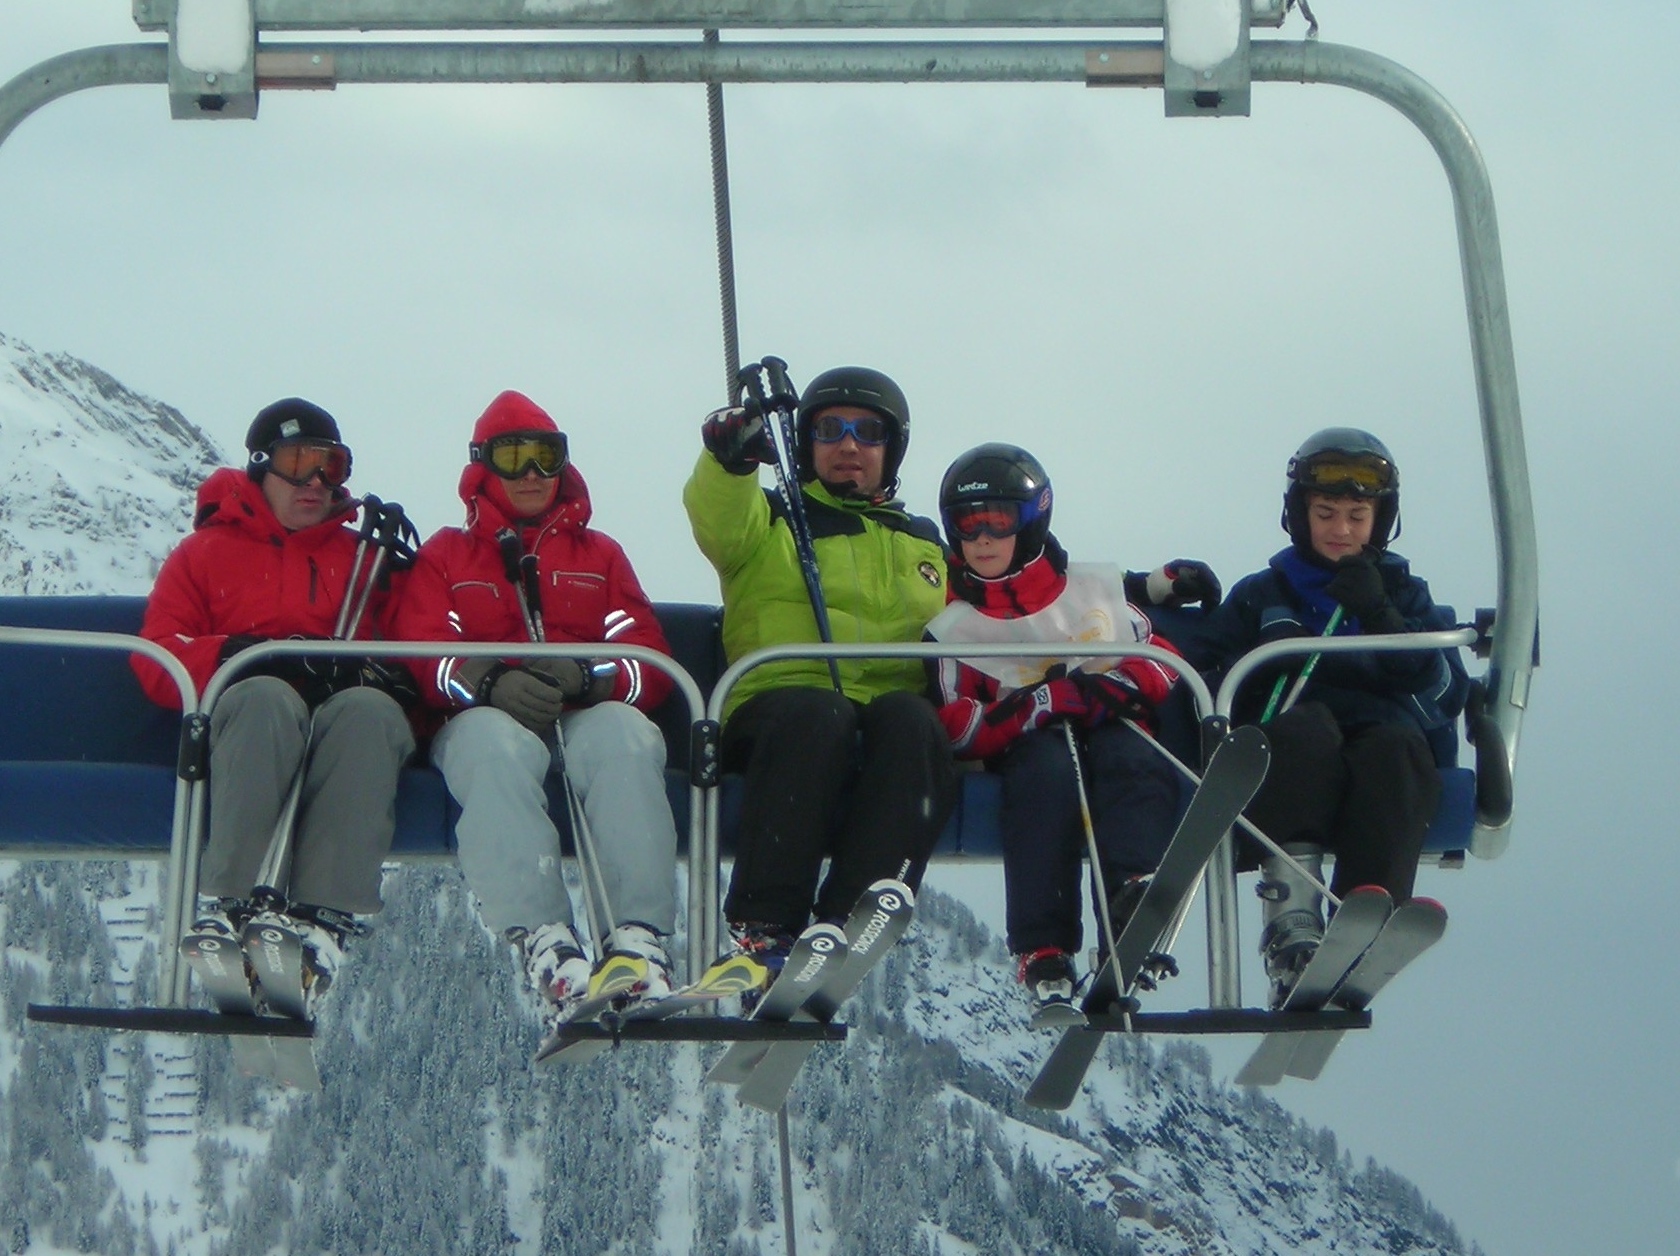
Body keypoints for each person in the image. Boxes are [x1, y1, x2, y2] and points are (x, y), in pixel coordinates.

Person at [391, 391, 679, 1016]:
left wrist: (591, 679)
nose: (530, 473)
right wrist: (487, 683)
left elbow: (647, 658)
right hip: (484, 719)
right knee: (490, 749)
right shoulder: (447, 555)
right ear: (482, 465)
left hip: (581, 715)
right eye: (511, 456)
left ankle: (636, 937)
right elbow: (422, 651)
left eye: (546, 456)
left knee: (626, 737)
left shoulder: (598, 555)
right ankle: (546, 939)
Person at [685, 365, 959, 998]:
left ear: (892, 449)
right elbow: (719, 520)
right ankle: (766, 927)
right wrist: (728, 461)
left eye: (868, 433)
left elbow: (1004, 597)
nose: (848, 445)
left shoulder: (924, 545)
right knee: (820, 715)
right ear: (806, 444)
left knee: (918, 723)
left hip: (884, 717)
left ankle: (846, 921)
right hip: (780, 708)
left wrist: (1132, 591)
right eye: (830, 430)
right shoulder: (772, 520)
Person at [133, 397, 415, 1007]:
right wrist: (242, 655)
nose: (314, 482)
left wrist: (376, 676)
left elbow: (412, 650)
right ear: (261, 467)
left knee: (370, 715)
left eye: (330, 466)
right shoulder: (204, 555)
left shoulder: (366, 563)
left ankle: (321, 923)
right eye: (296, 463)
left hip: (342, 729)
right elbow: (157, 658)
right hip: (251, 727)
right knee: (264, 697)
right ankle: (236, 903)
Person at [925, 444, 1218, 1013]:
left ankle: (1132, 899)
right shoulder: (956, 624)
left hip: (1109, 724)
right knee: (1046, 774)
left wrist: (1111, 688)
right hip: (1027, 745)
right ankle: (1044, 946)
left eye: (997, 521)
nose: (981, 539)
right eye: (967, 524)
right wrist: (1036, 705)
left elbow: (1162, 660)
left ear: (1032, 521)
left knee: (1130, 755)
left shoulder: (1090, 592)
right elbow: (956, 724)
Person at [1186, 427, 1464, 1002]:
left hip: (1380, 736)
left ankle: (1367, 911)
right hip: (1291, 747)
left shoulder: (1405, 596)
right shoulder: (1265, 594)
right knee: (1306, 733)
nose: (1342, 530)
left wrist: (1382, 616)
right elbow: (1200, 684)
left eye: (1357, 516)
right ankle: (1293, 920)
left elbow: (1442, 695)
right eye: (1326, 513)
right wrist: (1257, 669)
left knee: (1396, 749)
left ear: (1380, 521)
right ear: (1300, 514)